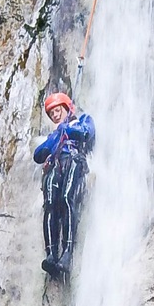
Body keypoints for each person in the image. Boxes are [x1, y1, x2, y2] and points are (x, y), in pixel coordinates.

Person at [33, 92, 95, 276]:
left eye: (57, 110)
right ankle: (51, 253)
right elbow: (39, 154)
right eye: (51, 113)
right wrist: (55, 138)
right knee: (50, 203)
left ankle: (67, 252)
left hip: (74, 160)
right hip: (56, 164)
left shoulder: (82, 119)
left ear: (67, 108)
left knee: (67, 198)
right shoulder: (55, 135)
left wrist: (68, 130)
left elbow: (86, 133)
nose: (54, 115)